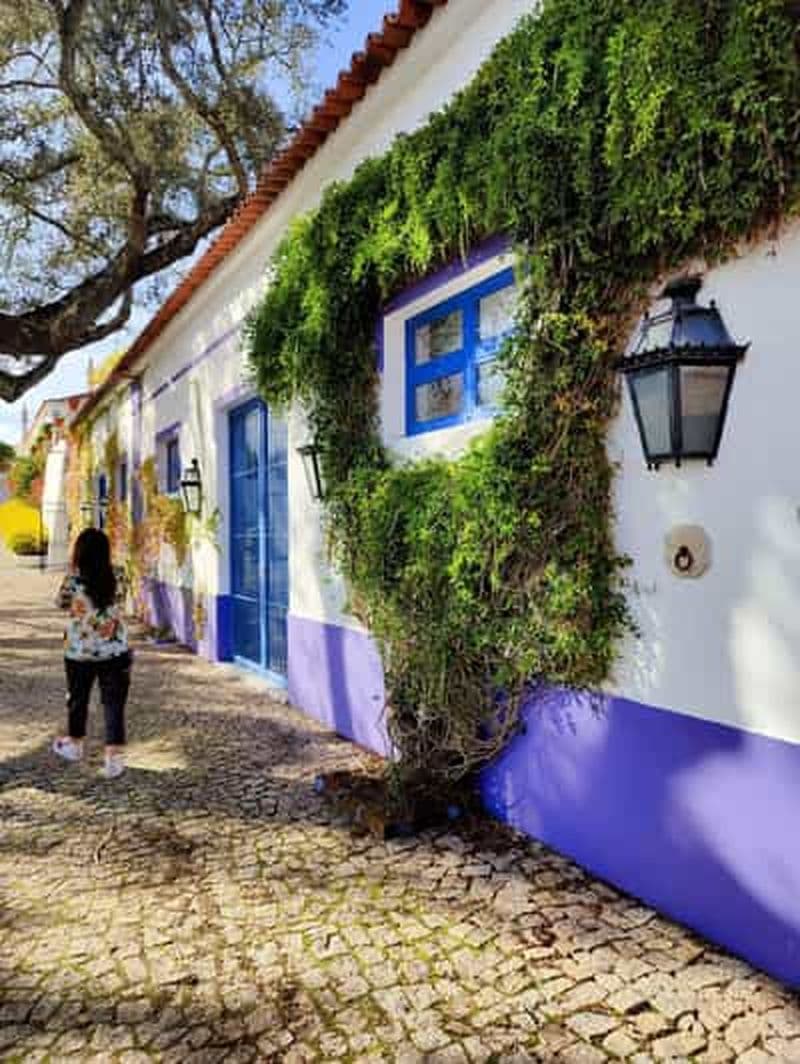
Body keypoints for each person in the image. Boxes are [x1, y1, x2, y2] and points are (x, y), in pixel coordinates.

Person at [52, 528, 132, 779]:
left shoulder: (73, 580)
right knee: (113, 704)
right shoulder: (119, 574)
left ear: (80, 552)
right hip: (115, 650)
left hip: (79, 652)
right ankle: (114, 758)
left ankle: (75, 745)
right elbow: (122, 600)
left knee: (77, 699)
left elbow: (60, 604)